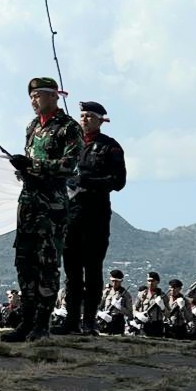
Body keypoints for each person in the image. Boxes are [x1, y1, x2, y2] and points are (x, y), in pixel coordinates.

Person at [3, 78, 84, 342]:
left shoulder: (68, 128)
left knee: (47, 264)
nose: (33, 101)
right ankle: (26, 322)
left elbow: (68, 166)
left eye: (38, 95)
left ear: (53, 96)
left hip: (52, 206)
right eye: (31, 96)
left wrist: (33, 164)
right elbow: (31, 163)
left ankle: (41, 325)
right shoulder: (32, 127)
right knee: (24, 263)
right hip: (28, 203)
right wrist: (22, 168)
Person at [56, 102, 126, 336]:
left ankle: (89, 322)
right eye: (82, 115)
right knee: (72, 272)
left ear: (100, 120)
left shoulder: (110, 147)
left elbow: (118, 182)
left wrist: (87, 181)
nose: (84, 119)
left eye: (89, 116)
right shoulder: (70, 146)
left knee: (93, 270)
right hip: (71, 215)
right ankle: (71, 320)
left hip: (95, 215)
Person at [133, 272, 168, 338]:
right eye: (149, 281)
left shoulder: (163, 296)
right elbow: (134, 308)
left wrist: (163, 307)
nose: (150, 283)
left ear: (157, 282)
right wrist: (137, 314)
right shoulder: (142, 294)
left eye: (153, 281)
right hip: (144, 325)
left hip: (157, 325)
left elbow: (168, 314)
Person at [97, 269, 132, 335]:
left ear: (121, 281)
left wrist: (120, 307)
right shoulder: (107, 292)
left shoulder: (126, 295)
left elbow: (129, 313)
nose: (114, 283)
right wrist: (100, 313)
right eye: (113, 281)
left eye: (117, 281)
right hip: (105, 321)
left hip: (118, 322)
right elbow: (99, 306)